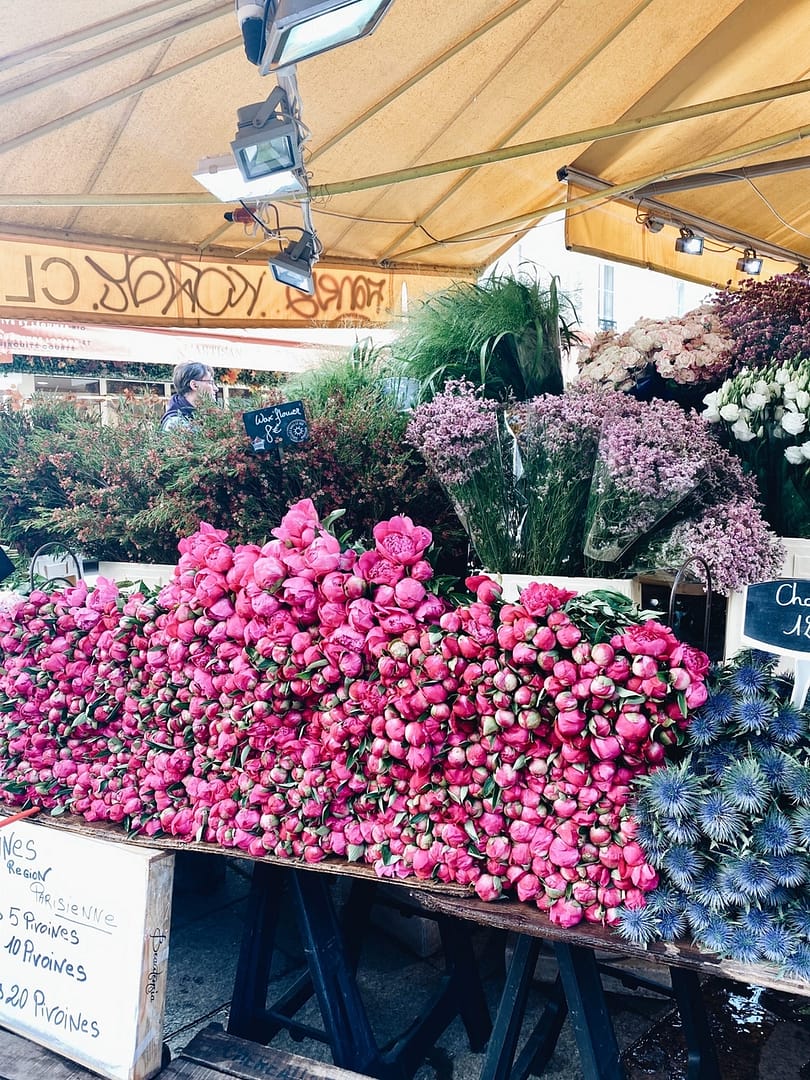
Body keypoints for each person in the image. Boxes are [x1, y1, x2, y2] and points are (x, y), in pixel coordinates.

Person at [160, 363, 217, 432]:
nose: (216, 388)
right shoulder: (175, 423)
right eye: (210, 382)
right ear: (194, 385)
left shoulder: (203, 416)